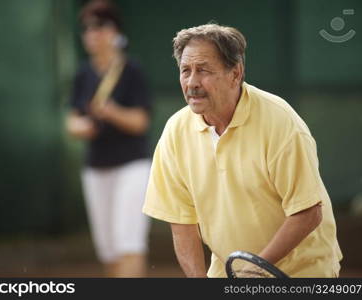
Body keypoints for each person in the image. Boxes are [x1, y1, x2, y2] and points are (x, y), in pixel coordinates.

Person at [142, 24, 342, 277]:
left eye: (202, 70)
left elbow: (308, 212)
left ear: (235, 74)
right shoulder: (175, 132)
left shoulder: (280, 122)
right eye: (185, 71)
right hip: (229, 273)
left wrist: (253, 270)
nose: (192, 82)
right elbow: (182, 222)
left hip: (302, 273)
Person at [66, 0, 152, 277]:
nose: (93, 33)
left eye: (101, 26)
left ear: (116, 32)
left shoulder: (132, 70)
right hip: (96, 168)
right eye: (88, 28)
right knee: (109, 250)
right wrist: (82, 127)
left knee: (128, 243)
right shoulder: (82, 74)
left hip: (132, 167)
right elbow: (72, 120)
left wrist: (112, 112)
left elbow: (141, 121)